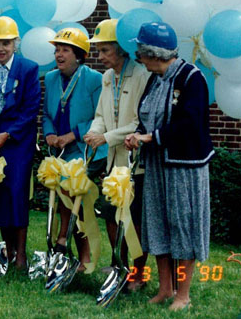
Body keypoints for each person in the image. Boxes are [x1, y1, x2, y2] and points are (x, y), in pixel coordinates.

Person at [125, 22, 214, 311]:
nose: (139, 57)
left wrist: (152, 137)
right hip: (156, 164)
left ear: (152, 53)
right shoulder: (155, 78)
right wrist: (137, 134)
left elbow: (190, 124)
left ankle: (182, 295)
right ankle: (165, 289)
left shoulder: (192, 78)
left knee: (182, 226)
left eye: (141, 52)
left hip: (184, 166)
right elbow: (147, 114)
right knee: (158, 225)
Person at [83, 19, 150, 290]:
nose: (100, 58)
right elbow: (101, 115)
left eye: (105, 51)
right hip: (112, 163)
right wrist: (93, 133)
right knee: (111, 215)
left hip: (136, 163)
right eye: (99, 51)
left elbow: (140, 122)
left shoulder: (142, 75)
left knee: (134, 219)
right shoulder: (107, 77)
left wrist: (107, 137)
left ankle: (138, 273)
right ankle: (118, 264)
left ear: (122, 49)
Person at [0, 16, 41, 270]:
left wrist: (8, 133)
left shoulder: (29, 68)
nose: (1, 49)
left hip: (18, 141)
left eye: (6, 43)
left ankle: (21, 253)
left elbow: (30, 109)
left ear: (16, 44)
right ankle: (8, 249)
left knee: (16, 192)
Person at [42, 27, 107, 272]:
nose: (59, 55)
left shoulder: (94, 80)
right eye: (57, 50)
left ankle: (64, 240)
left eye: (65, 50)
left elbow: (101, 117)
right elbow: (47, 113)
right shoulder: (50, 78)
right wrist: (49, 133)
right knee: (65, 197)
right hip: (59, 149)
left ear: (79, 55)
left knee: (74, 193)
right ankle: (81, 257)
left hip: (86, 148)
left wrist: (72, 135)